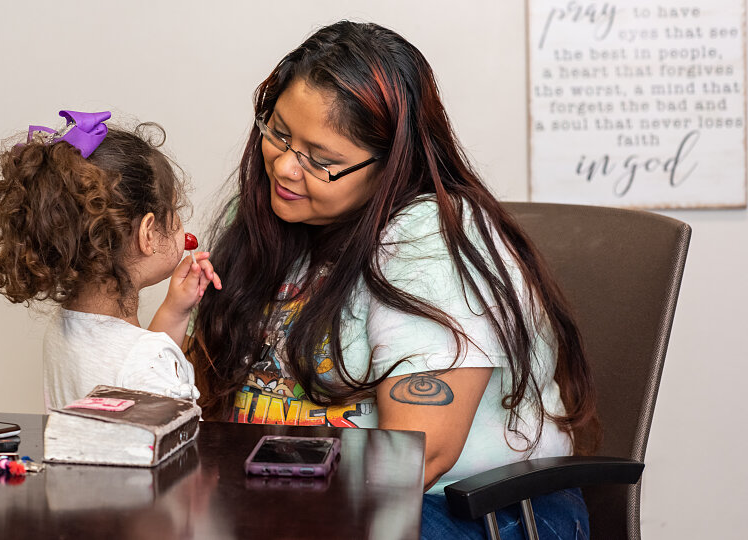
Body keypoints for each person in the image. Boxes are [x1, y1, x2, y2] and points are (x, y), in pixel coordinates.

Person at [188, 22, 598, 538]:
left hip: (470, 511)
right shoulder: (265, 217)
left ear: (390, 166)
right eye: (279, 133)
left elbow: (421, 455)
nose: (287, 169)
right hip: (286, 495)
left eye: (322, 160)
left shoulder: (431, 241)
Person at [0, 110, 220, 411]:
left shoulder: (63, 329)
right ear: (147, 233)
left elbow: (131, 366)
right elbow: (177, 449)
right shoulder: (147, 360)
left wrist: (174, 310)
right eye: (174, 210)